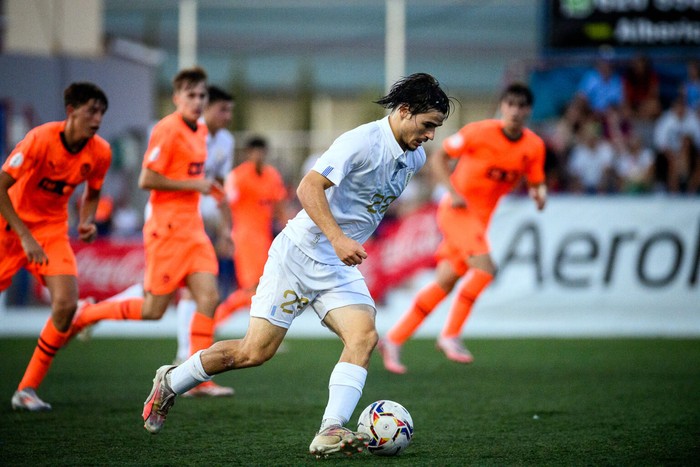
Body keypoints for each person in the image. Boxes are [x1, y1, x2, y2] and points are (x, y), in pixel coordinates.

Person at [140, 72, 452, 458]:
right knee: (253, 353)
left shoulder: (415, 156)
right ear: (404, 112)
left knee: (364, 337)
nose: (431, 136)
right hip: (298, 255)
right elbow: (308, 187)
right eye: (428, 125)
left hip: (336, 267)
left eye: (436, 128)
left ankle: (330, 429)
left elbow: (369, 202)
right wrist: (338, 238)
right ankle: (171, 381)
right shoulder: (360, 142)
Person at [69, 67, 233, 396]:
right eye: (191, 95)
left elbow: (196, 177)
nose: (198, 101)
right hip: (167, 227)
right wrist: (195, 184)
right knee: (153, 310)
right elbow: (147, 179)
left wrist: (211, 191)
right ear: (176, 98)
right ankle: (87, 313)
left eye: (202, 95)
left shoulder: (200, 132)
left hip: (193, 228)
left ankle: (196, 380)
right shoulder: (166, 129)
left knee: (209, 297)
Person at [378, 82, 546, 374]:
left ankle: (394, 338)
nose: (515, 111)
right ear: (502, 107)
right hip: (456, 212)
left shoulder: (533, 146)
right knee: (485, 269)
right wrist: (451, 191)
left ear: (528, 111)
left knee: (445, 282)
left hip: (480, 219)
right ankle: (451, 334)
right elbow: (439, 157)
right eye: (511, 104)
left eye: (522, 106)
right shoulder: (478, 132)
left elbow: (536, 178)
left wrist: (539, 192)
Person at [1, 82, 111, 411]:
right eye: (92, 110)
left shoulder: (100, 152)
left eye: (102, 112)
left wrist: (86, 220)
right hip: (11, 228)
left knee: (65, 305)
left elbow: (92, 192)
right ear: (71, 111)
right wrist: (24, 236)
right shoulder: (39, 139)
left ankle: (26, 389)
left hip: (51, 230)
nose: (98, 118)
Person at [173, 85, 235, 366]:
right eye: (223, 109)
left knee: (195, 286)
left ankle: (188, 353)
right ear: (206, 108)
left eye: (230, 110)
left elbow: (219, 188)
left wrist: (225, 228)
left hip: (200, 219)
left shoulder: (226, 141)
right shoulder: (184, 134)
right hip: (173, 217)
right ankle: (188, 353)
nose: (228, 116)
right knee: (165, 295)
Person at [210, 135, 289, 329]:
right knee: (252, 289)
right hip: (245, 239)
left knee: (263, 289)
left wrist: (291, 229)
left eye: (262, 151)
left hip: (264, 239)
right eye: (255, 151)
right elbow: (225, 204)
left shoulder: (272, 176)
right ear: (248, 153)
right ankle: (214, 321)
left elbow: (280, 207)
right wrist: (225, 233)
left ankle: (255, 334)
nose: (259, 155)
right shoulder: (238, 176)